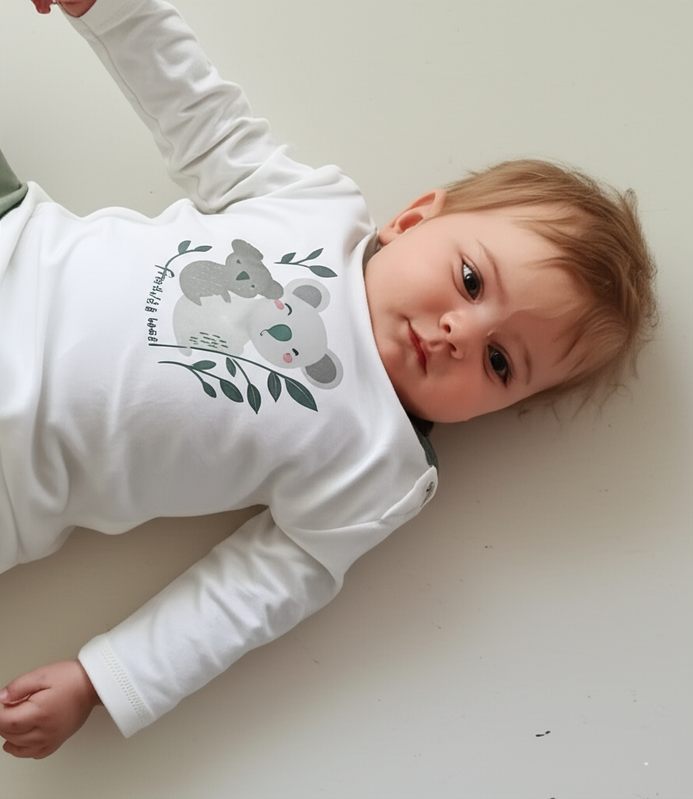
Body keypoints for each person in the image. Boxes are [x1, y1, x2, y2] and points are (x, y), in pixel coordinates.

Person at [0, 0, 657, 759]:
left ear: (499, 407)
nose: (460, 333)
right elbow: (200, 115)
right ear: (413, 219)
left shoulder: (380, 469)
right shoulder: (314, 209)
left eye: (500, 362)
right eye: (471, 281)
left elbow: (253, 591)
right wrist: (114, 11)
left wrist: (101, 678)